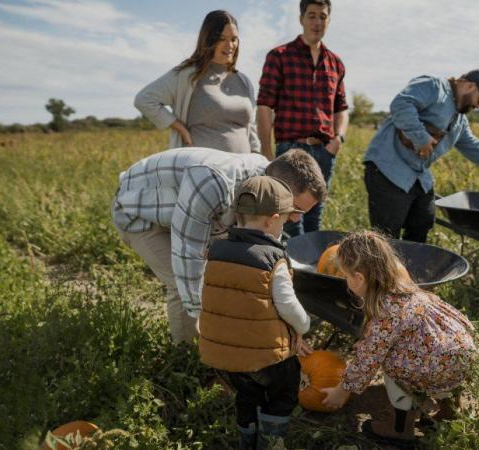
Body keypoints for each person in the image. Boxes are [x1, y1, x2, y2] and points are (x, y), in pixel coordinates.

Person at [111, 147, 326, 344]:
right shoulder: (214, 183)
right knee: (182, 283)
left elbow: (267, 254)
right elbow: (188, 254)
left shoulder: (267, 187)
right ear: (279, 187)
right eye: (295, 209)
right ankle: (187, 358)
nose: (297, 221)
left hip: (189, 213)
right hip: (140, 212)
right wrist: (213, 327)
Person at [320, 231, 476, 445]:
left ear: (359, 278)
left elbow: (368, 359)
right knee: (426, 355)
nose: (346, 282)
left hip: (437, 365)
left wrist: (342, 390)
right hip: (461, 355)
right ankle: (447, 413)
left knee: (390, 361)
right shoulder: (407, 290)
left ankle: (400, 428)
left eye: (346, 276)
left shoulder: (385, 312)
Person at [198, 176, 312, 449]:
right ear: (272, 220)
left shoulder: (215, 252)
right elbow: (287, 305)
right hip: (266, 356)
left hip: (226, 354)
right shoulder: (273, 259)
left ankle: (246, 441)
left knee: (247, 395)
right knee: (283, 392)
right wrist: (303, 326)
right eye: (284, 221)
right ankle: (271, 442)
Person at [364, 68, 479, 243]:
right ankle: (377, 269)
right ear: (470, 86)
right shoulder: (434, 86)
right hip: (388, 169)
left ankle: (409, 269)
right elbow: (401, 104)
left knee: (422, 224)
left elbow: (475, 148)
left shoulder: (460, 121)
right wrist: (421, 137)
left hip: (418, 177)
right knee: (386, 235)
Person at [256, 0, 349, 236]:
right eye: (312, 15)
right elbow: (265, 106)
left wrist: (338, 139)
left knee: (314, 218)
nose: (317, 22)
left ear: (329, 20)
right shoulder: (280, 56)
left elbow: (341, 107)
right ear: (301, 19)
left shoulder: (335, 63)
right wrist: (267, 153)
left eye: (323, 16)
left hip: (324, 152)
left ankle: (309, 270)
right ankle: (287, 270)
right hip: (290, 151)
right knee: (289, 220)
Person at [134, 10, 259, 153]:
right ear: (209, 39)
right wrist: (181, 129)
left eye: (233, 39)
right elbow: (144, 99)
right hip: (202, 169)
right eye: (222, 39)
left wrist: (257, 157)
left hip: (244, 169)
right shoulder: (187, 75)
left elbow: (251, 127)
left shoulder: (243, 81)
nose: (230, 45)